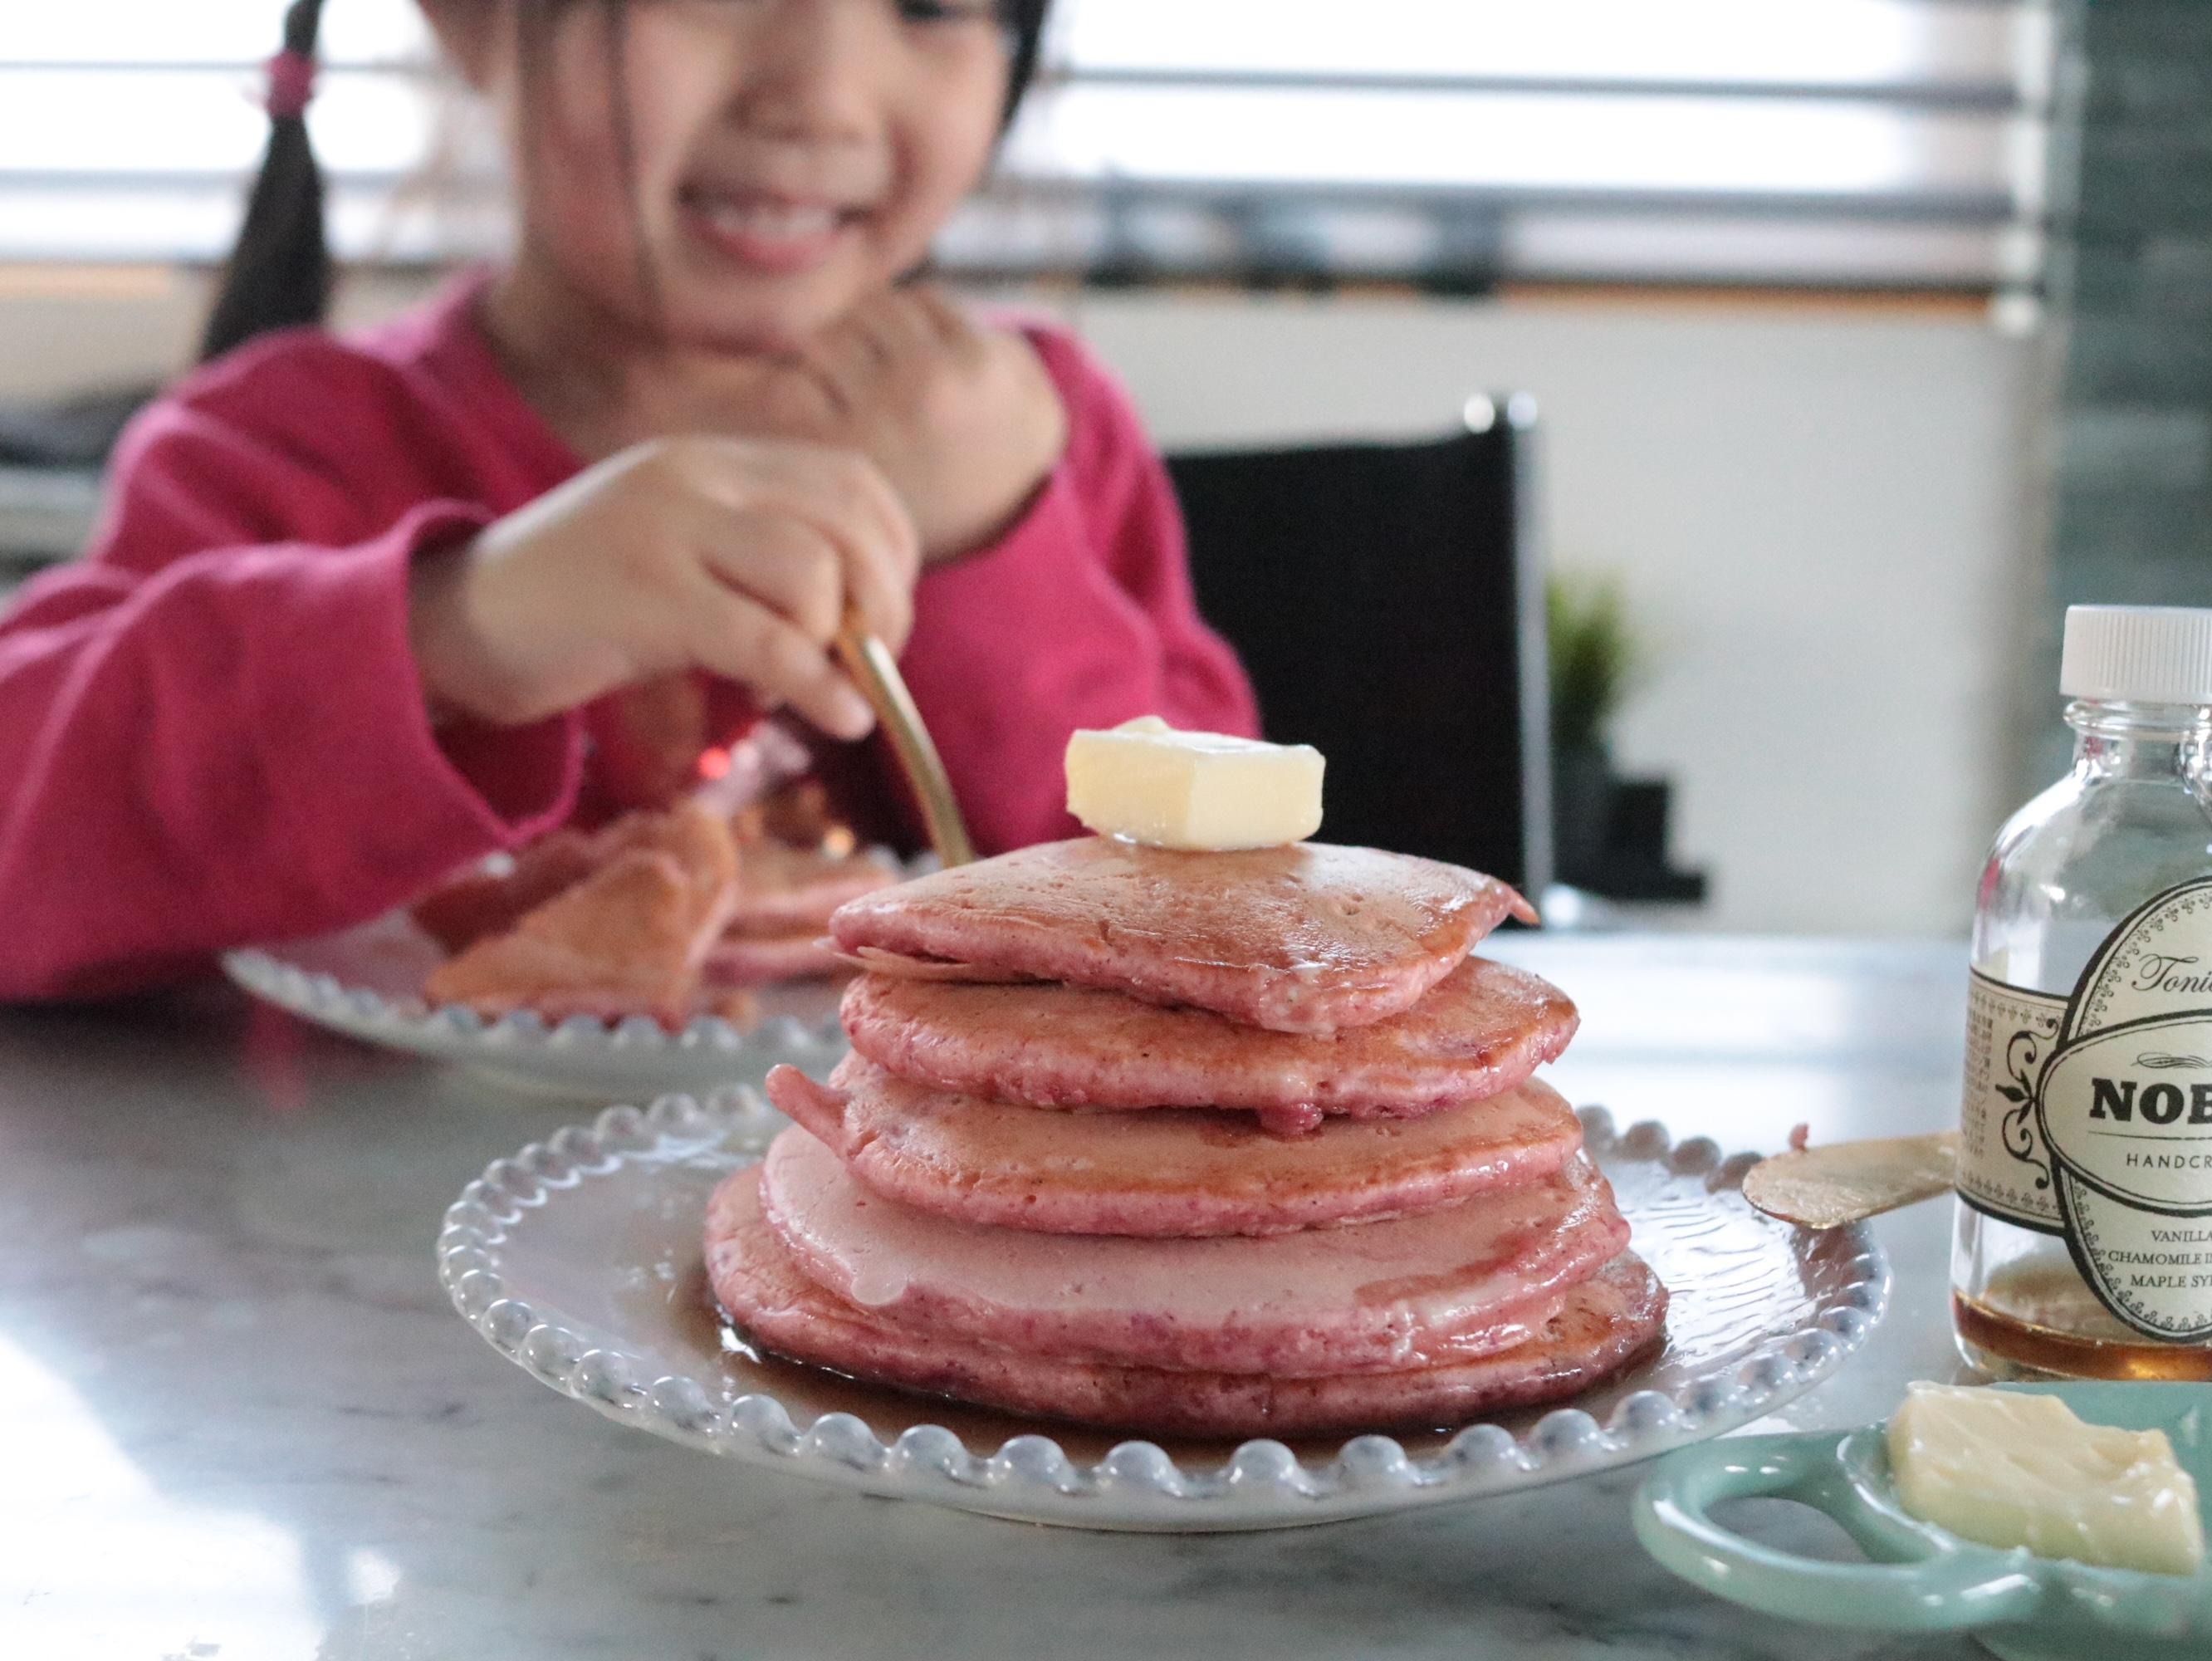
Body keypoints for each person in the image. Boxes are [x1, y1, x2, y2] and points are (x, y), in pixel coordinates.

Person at [0, 0, 1258, 1000]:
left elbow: (1238, 939)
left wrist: (996, 552)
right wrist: (454, 633)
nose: (819, 93)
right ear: (472, 17)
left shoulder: (1033, 439)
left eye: (930, 4)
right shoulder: (284, 449)